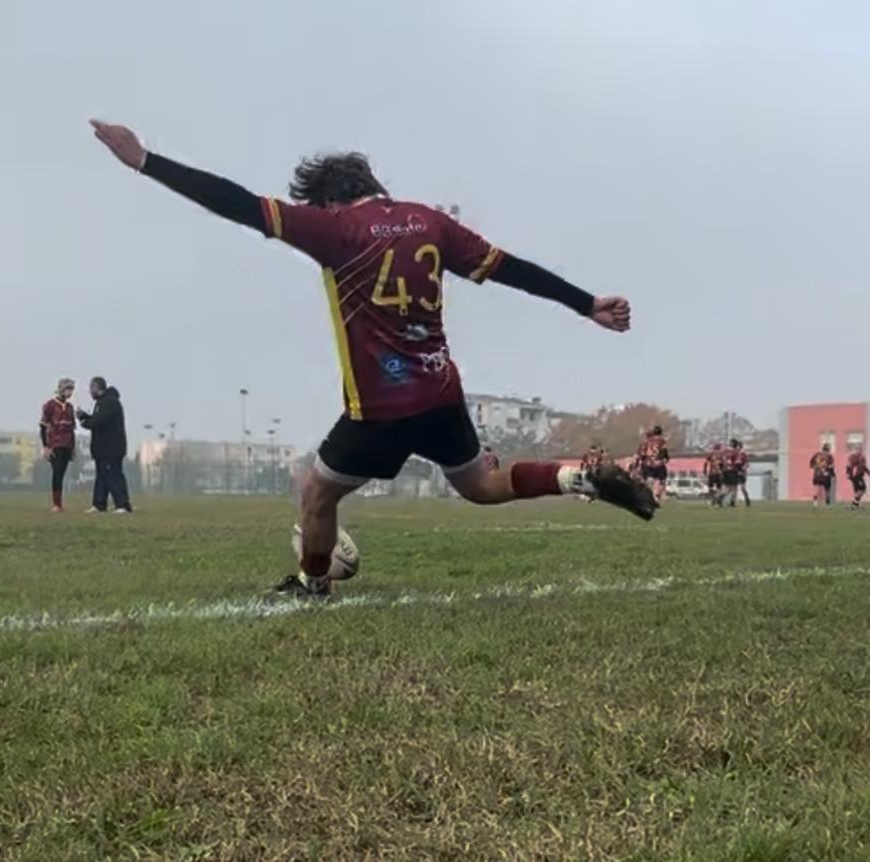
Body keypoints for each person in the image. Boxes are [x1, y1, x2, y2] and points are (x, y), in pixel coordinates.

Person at [90, 120, 654, 597]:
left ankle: (313, 588)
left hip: (379, 408)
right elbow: (511, 269)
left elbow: (242, 205)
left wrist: (145, 161)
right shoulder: (430, 222)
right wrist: (586, 304)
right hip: (441, 395)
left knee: (316, 493)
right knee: (483, 485)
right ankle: (578, 476)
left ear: (329, 199)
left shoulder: (335, 228)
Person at [77, 376, 132, 513]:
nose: (90, 392)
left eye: (91, 388)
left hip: (111, 448)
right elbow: (97, 419)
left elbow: (100, 421)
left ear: (97, 388)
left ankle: (122, 504)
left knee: (113, 476)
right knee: (102, 477)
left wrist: (85, 423)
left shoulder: (110, 402)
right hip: (102, 449)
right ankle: (99, 504)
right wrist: (85, 416)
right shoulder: (102, 402)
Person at [40, 378, 78, 513]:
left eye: (71, 390)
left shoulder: (70, 407)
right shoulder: (50, 405)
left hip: (67, 444)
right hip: (55, 444)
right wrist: (45, 447)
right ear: (61, 389)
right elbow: (43, 427)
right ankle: (56, 504)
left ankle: (60, 503)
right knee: (57, 473)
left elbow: (72, 429)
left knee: (62, 473)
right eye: (68, 389)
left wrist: (73, 448)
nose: (70, 392)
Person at [636, 426, 671, 503]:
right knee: (660, 480)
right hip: (658, 463)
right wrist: (666, 458)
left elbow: (641, 454)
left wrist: (641, 460)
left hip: (648, 463)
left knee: (648, 480)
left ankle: (647, 495)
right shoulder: (662, 441)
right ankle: (656, 496)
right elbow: (664, 451)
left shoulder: (647, 441)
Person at [723, 438, 750, 508]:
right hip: (735, 472)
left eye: (739, 446)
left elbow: (746, 463)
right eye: (737, 446)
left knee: (742, 488)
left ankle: (747, 500)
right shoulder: (734, 453)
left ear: (741, 447)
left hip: (741, 473)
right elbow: (732, 462)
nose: (737, 448)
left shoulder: (743, 454)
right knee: (734, 488)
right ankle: (732, 502)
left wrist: (742, 470)